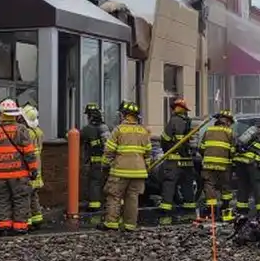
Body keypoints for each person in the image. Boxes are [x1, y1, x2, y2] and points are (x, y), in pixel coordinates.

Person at [0, 99, 39, 237]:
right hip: (19, 175)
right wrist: (33, 170)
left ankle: (4, 227)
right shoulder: (21, 130)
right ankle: (20, 228)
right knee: (20, 199)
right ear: (15, 115)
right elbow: (29, 153)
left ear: (1, 114)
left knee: (2, 200)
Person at [101, 101, 152, 231]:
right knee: (133, 198)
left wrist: (106, 165)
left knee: (114, 196)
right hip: (139, 172)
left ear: (124, 115)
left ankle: (111, 223)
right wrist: (147, 167)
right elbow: (148, 153)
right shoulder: (144, 131)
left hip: (120, 171)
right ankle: (130, 225)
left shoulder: (119, 130)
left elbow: (109, 150)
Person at [158, 97, 198, 224]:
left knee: (169, 185)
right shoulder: (190, 123)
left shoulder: (173, 121)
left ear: (176, 108)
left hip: (174, 160)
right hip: (188, 160)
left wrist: (166, 150)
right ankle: (189, 214)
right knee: (187, 187)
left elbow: (164, 139)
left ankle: (166, 216)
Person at [234, 121, 260, 217]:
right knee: (259, 187)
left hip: (240, 162)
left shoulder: (253, 138)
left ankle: (241, 209)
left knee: (243, 186)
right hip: (253, 164)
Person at [199, 110, 236, 221]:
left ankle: (211, 211)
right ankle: (225, 210)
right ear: (228, 121)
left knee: (210, 185)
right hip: (224, 166)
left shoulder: (208, 131)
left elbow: (201, 148)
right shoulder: (230, 132)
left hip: (208, 165)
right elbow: (233, 151)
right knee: (225, 188)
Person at [81, 103, 112, 212]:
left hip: (95, 162)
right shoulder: (104, 127)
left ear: (89, 116)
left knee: (94, 182)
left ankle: (94, 206)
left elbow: (74, 137)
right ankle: (109, 204)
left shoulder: (87, 129)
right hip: (107, 161)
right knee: (107, 182)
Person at [21, 103, 45, 229]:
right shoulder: (39, 132)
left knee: (26, 196)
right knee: (34, 194)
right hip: (37, 164)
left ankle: (28, 221)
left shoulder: (27, 133)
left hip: (29, 165)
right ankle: (37, 218)